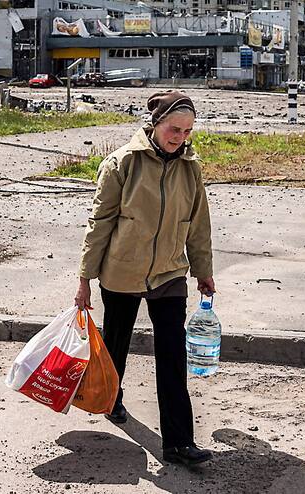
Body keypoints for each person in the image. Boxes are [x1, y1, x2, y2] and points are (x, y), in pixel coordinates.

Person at [75, 91, 216, 467]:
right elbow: (100, 223)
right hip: (122, 270)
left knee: (172, 353)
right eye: (174, 129)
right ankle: (111, 397)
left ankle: (178, 442)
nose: (180, 137)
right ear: (156, 124)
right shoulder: (122, 163)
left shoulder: (191, 168)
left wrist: (203, 271)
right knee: (115, 342)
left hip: (170, 272)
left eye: (187, 131)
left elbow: (198, 225)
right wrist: (85, 277)